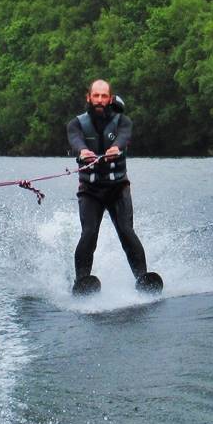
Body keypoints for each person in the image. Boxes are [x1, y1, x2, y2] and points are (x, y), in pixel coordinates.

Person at [67, 78, 149, 284]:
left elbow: (123, 136)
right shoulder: (75, 124)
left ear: (110, 99)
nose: (100, 100)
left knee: (126, 231)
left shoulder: (123, 121)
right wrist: (83, 151)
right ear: (89, 97)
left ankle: (143, 278)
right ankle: (82, 281)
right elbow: (76, 140)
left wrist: (117, 148)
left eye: (104, 96)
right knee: (89, 234)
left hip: (117, 188)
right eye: (96, 95)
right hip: (90, 190)